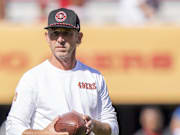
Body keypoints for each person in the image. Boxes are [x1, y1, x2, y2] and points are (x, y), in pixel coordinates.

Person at [6, 8, 119, 135]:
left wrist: (93, 124)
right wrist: (45, 133)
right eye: (55, 33)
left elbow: (113, 128)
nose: (60, 39)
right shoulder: (33, 78)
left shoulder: (94, 77)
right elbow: (12, 127)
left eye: (66, 33)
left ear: (79, 37)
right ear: (47, 38)